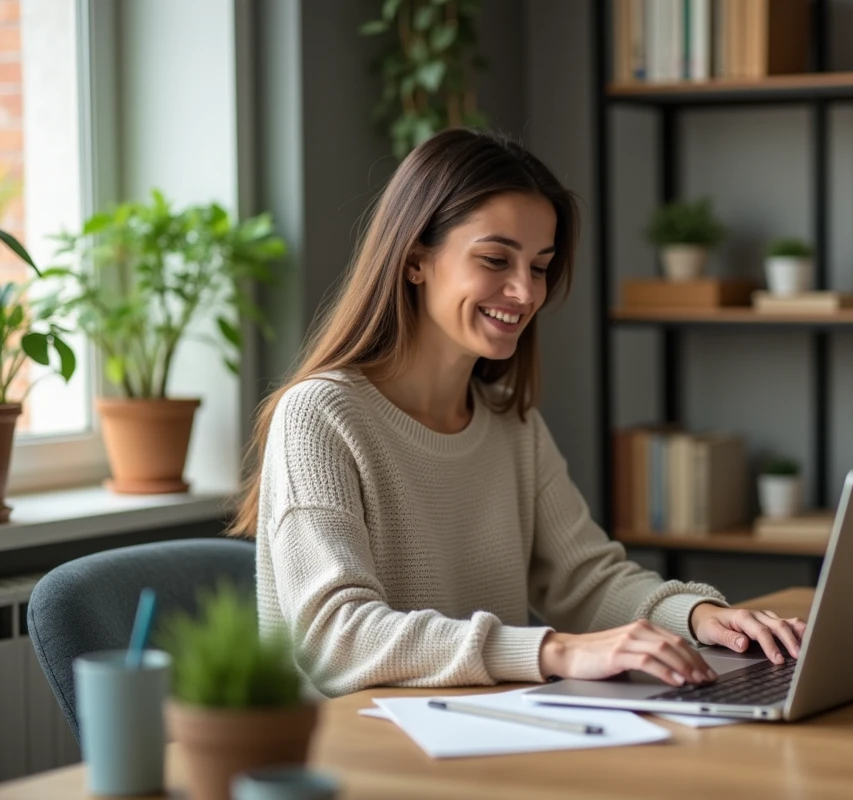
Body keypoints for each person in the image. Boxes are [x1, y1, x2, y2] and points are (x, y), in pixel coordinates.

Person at [231, 128, 806, 698]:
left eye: (539, 266)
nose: (526, 293)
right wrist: (556, 650)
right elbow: (333, 639)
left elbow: (586, 580)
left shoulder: (511, 424)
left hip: (487, 733)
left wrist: (701, 617)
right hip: (353, 747)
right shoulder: (319, 416)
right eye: (495, 259)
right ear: (414, 260)